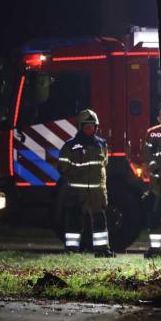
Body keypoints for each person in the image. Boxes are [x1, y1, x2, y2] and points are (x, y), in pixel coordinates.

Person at [57, 109, 113, 257]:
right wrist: (76, 177)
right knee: (74, 221)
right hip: (77, 192)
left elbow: (104, 165)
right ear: (80, 127)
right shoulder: (70, 146)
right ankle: (71, 250)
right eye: (87, 126)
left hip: (97, 192)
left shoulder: (102, 144)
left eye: (93, 126)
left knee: (100, 221)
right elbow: (62, 166)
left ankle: (102, 250)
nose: (90, 129)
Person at [143, 113, 161, 258]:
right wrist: (158, 169)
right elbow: (147, 155)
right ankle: (155, 250)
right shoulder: (152, 133)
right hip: (157, 185)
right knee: (155, 217)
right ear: (159, 117)